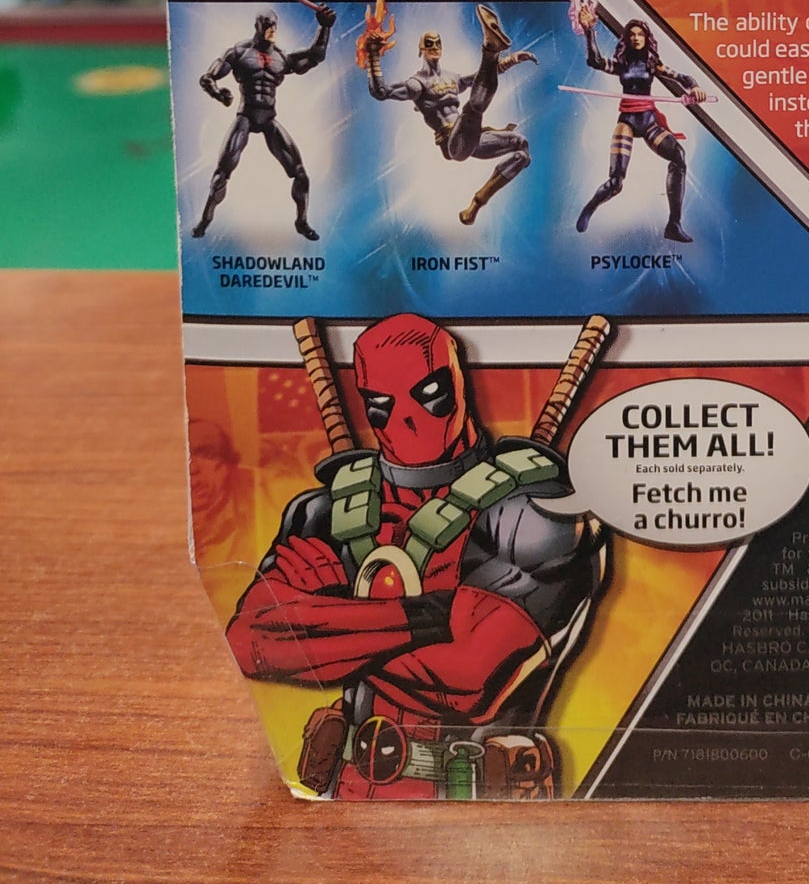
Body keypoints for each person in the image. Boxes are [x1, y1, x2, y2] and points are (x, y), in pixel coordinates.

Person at [226, 312, 606, 801]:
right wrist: (437, 615)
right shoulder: (323, 512)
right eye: (383, 406)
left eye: (430, 395)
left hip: (479, 806)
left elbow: (470, 680)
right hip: (346, 797)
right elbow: (249, 642)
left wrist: (319, 624)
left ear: (457, 382)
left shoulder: (538, 514)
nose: (408, 421)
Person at [362, 5, 535, 226]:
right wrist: (373, 56)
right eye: (429, 44)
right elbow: (381, 92)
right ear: (421, 50)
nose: (434, 47)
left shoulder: (452, 78)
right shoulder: (417, 84)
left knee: (521, 148)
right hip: (454, 143)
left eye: (437, 43)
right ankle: (490, 49)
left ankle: (475, 205)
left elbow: (480, 78)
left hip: (473, 138)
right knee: (472, 111)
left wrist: (512, 60)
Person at [192, 2, 334, 239]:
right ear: (257, 26)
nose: (272, 29)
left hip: (269, 118)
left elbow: (315, 56)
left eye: (274, 25)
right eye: (267, 25)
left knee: (300, 174)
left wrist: (325, 28)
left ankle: (301, 222)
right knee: (221, 174)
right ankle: (205, 221)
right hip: (246, 116)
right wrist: (218, 94)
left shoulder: (281, 57)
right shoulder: (239, 52)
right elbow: (207, 78)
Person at [574, 7, 702, 243]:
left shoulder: (653, 65)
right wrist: (589, 31)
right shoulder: (622, 65)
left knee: (679, 157)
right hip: (628, 122)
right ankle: (590, 208)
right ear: (627, 38)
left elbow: (683, 78)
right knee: (616, 182)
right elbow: (595, 61)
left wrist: (694, 88)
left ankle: (673, 225)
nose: (635, 38)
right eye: (631, 34)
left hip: (649, 121)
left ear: (646, 38)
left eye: (640, 34)